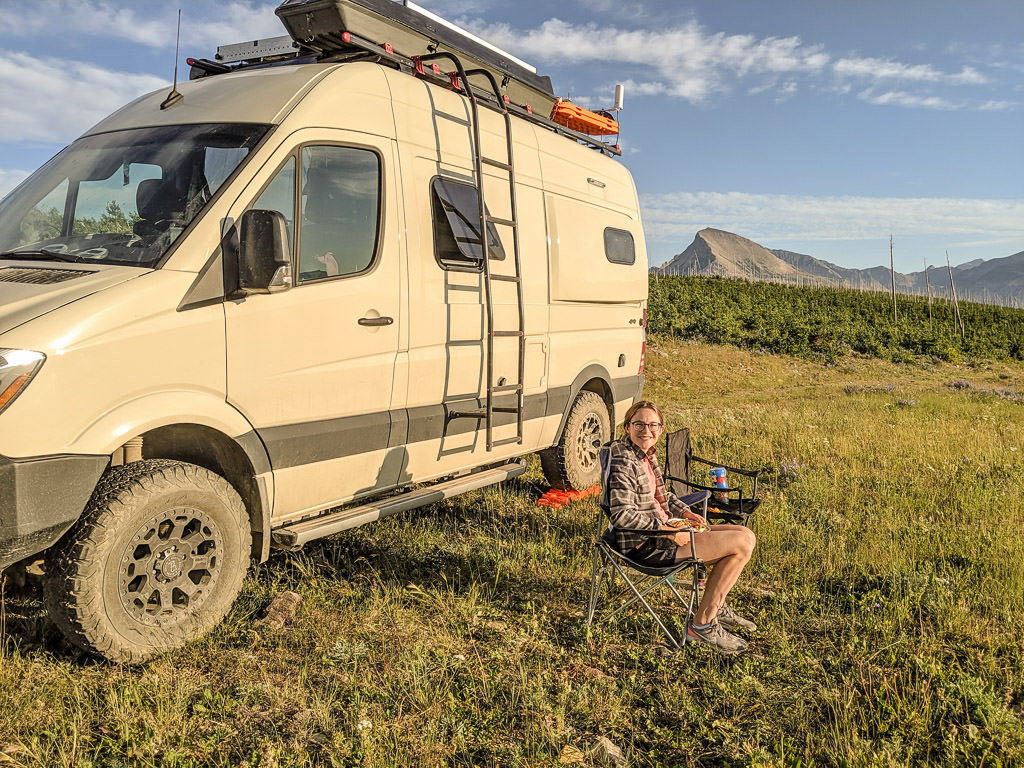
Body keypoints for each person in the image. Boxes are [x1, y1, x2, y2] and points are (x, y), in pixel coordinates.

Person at [604, 399, 757, 655]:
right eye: (639, 424)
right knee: (739, 546)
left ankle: (715, 605)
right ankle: (703, 625)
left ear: (661, 429)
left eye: (653, 425)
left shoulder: (646, 456)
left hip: (664, 531)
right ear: (627, 427)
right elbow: (622, 516)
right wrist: (667, 530)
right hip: (646, 544)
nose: (646, 430)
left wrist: (685, 512)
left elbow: (663, 497)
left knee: (745, 534)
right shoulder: (624, 462)